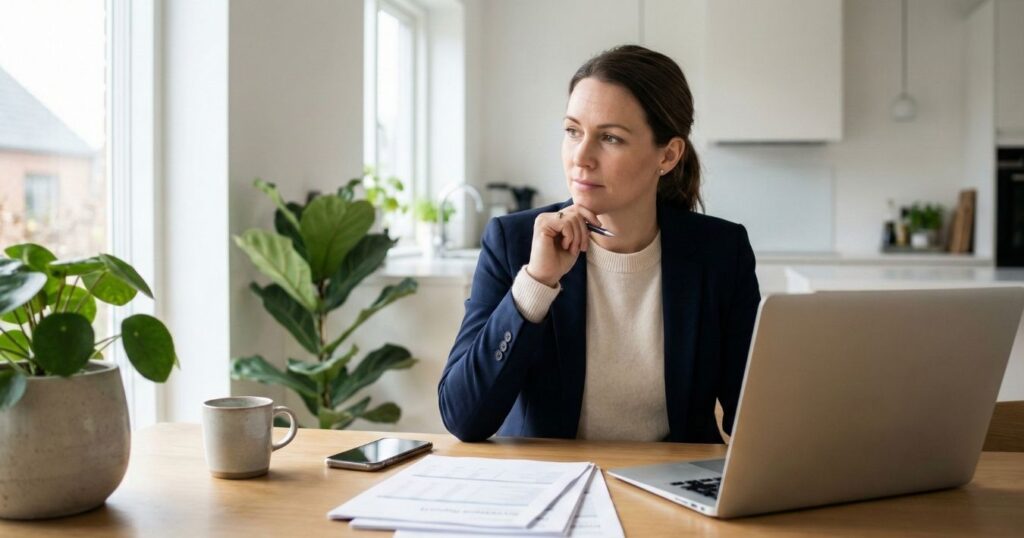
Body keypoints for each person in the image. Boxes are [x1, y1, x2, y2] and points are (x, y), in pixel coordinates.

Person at [438, 45, 761, 443]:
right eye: (573, 131)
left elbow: (752, 417)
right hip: (549, 486)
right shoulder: (514, 242)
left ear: (669, 155)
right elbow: (464, 418)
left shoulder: (720, 251)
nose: (581, 157)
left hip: (673, 487)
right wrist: (537, 283)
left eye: (610, 137)